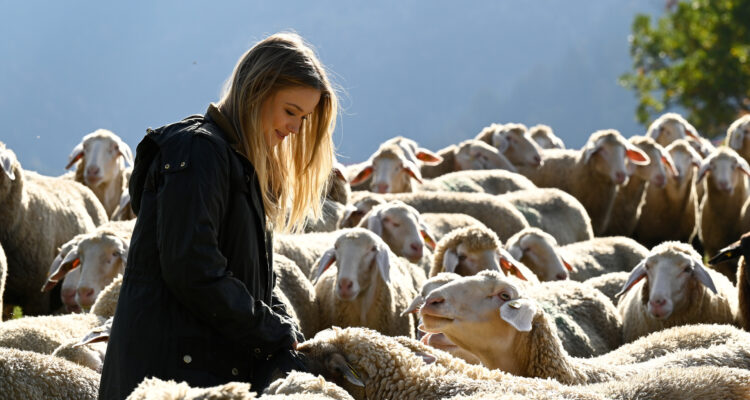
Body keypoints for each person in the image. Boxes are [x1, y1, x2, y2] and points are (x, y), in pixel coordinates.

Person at [99, 32, 338, 399]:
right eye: (291, 111)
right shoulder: (198, 152)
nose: (296, 128)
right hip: (168, 378)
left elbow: (255, 280)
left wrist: (287, 331)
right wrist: (273, 332)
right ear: (257, 89)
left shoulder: (238, 163)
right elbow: (193, 268)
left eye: (304, 118)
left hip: (202, 372)